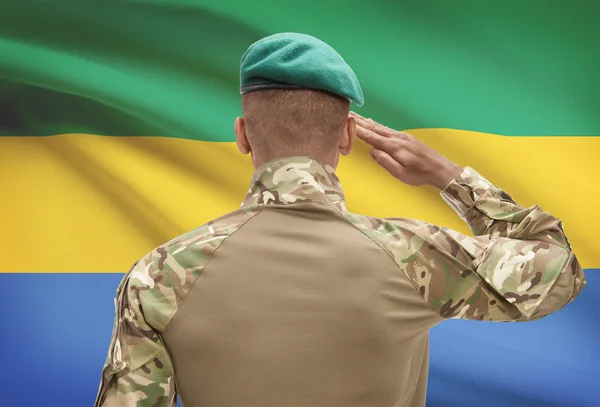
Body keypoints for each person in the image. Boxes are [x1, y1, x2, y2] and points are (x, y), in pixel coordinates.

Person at [94, 33, 586, 407]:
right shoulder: (415, 255)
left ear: (243, 135)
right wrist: (448, 175)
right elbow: (559, 269)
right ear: (349, 135)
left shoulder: (159, 275)